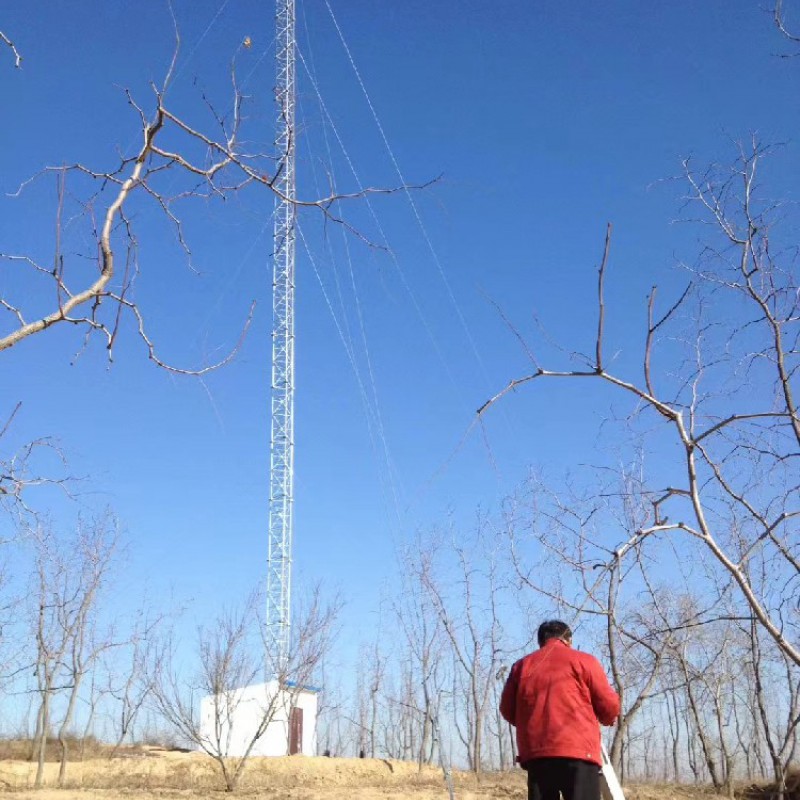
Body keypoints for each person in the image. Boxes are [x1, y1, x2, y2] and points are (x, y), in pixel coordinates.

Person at [500, 620, 620, 800]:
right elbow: (609, 705)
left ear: (541, 641)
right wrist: (608, 718)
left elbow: (507, 709)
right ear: (568, 640)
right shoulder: (585, 661)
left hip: (538, 756)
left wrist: (533, 723)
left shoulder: (521, 666)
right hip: (580, 753)